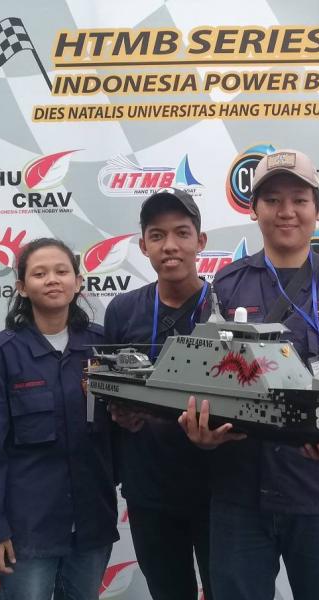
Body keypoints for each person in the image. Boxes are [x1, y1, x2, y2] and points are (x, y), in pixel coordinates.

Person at [180, 148, 319, 600]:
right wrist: (201, 431)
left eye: (299, 199)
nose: (286, 211)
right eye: (272, 200)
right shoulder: (225, 287)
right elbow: (201, 375)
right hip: (240, 497)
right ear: (253, 209)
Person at [0, 238, 116, 600]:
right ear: (21, 287)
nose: (52, 279)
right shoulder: (1, 354)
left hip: (92, 523)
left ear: (78, 282)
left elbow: (122, 431)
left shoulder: (104, 349)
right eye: (39, 273)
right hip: (27, 530)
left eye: (62, 271)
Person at [103, 188, 215, 600]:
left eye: (182, 233)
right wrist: (119, 413)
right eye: (157, 235)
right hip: (149, 488)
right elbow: (108, 389)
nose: (170, 246)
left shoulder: (225, 306)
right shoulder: (123, 310)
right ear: (143, 245)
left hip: (220, 489)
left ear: (200, 242)